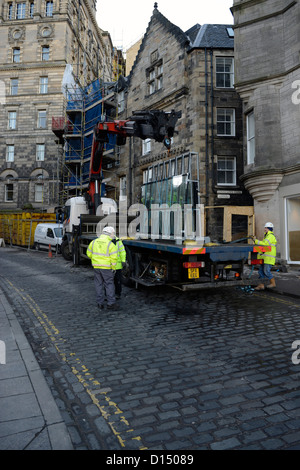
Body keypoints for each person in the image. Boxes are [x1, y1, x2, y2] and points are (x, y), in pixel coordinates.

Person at [87, 226, 118, 309]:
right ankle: (111, 303)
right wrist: (113, 268)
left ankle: (100, 303)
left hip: (96, 267)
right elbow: (114, 258)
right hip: (107, 268)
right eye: (113, 234)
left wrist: (96, 260)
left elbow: (89, 254)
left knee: (98, 284)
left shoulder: (94, 242)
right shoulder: (110, 244)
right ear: (109, 234)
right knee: (109, 284)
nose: (113, 235)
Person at [252, 222, 277, 291]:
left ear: (269, 229)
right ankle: (261, 285)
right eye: (265, 227)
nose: (264, 229)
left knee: (266, 271)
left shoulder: (270, 236)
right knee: (260, 271)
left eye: (266, 228)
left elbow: (264, 244)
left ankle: (273, 283)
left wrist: (255, 240)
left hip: (268, 258)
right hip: (264, 258)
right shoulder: (266, 236)